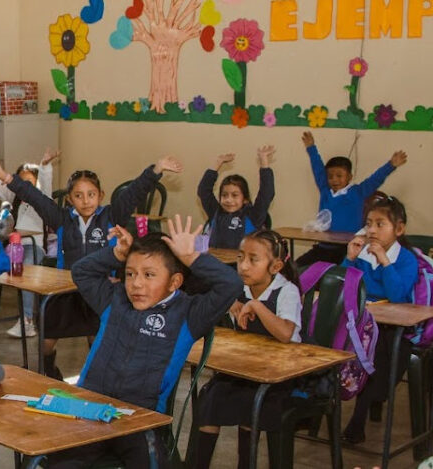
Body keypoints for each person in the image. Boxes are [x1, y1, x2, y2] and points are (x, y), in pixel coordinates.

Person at [47, 216, 242, 468]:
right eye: (130, 274)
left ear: (174, 282)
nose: (136, 284)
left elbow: (232, 285)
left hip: (140, 418)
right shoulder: (114, 299)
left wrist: (192, 257)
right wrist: (117, 254)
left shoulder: (189, 314)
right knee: (55, 459)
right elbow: (81, 271)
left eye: (149, 275)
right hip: (89, 410)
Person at [0, 149, 183, 379]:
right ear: (69, 199)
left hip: (100, 291)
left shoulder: (112, 216)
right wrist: (5, 176)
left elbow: (135, 192)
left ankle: (101, 379)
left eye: (91, 194)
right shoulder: (61, 218)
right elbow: (35, 197)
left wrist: (156, 169)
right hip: (66, 289)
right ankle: (51, 375)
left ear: (101, 195)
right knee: (45, 343)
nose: (86, 201)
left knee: (98, 342)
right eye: (79, 195)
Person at [190, 230, 302, 469]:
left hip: (280, 376)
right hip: (244, 370)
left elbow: (285, 334)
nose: (243, 266)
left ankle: (245, 464)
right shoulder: (239, 288)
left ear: (276, 266)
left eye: (253, 259)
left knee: (252, 403)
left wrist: (256, 306)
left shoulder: (287, 291)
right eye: (240, 258)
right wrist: (232, 303)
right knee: (210, 398)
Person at [340, 195, 418, 444]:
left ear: (399, 229)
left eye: (379, 224)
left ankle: (360, 417)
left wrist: (384, 261)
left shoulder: (405, 259)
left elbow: (397, 295)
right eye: (368, 223)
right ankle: (315, 403)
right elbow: (341, 287)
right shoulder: (362, 253)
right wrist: (349, 258)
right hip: (361, 323)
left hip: (392, 330)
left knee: (376, 356)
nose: (371, 230)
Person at [0, 146, 60, 337]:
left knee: (24, 269)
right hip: (13, 247)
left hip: (34, 247)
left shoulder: (42, 201)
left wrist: (45, 165)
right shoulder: (14, 198)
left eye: (31, 183)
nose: (26, 187)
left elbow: (46, 184)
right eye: (22, 182)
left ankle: (27, 321)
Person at [296, 131, 406, 265]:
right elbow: (318, 168)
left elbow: (375, 179)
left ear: (349, 176)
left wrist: (391, 165)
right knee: (298, 267)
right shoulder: (325, 191)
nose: (334, 180)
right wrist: (311, 148)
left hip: (347, 249)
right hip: (324, 247)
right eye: (330, 176)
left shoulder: (357, 192)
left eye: (339, 175)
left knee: (338, 276)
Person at [197, 146, 275, 250]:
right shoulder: (215, 212)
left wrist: (264, 161)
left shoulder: (253, 215)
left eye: (235, 195)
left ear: (245, 199)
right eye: (224, 195)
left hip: (241, 264)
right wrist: (218, 163)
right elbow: (203, 191)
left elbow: (266, 193)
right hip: (216, 263)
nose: (229, 200)